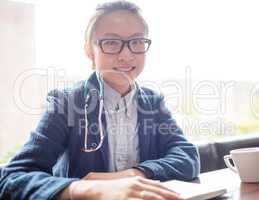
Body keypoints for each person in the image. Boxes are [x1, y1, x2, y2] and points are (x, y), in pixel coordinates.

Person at [0, 1, 200, 199]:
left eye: (137, 41)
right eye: (111, 42)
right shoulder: (66, 103)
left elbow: (187, 156)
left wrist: (134, 174)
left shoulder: (153, 102)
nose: (126, 54)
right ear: (89, 50)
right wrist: (89, 189)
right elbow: (12, 178)